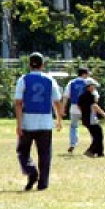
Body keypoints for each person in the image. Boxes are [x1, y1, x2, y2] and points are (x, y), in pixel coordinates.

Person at [14, 52, 63, 191]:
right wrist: (59, 119)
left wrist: (19, 124)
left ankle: (31, 171)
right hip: (45, 121)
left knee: (22, 151)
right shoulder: (50, 80)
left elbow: (18, 103)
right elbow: (56, 101)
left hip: (28, 121)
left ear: (29, 65)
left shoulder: (23, 79)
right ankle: (43, 183)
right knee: (45, 153)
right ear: (43, 65)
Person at [61, 67, 91, 154]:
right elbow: (95, 95)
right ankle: (94, 143)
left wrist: (63, 108)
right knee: (91, 126)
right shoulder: (88, 82)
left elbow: (66, 96)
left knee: (74, 126)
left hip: (74, 107)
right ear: (84, 74)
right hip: (86, 107)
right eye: (88, 73)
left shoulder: (71, 83)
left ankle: (72, 144)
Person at [78, 79, 105, 158]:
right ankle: (90, 151)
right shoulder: (90, 96)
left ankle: (99, 153)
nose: (94, 87)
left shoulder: (81, 95)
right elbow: (94, 106)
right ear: (88, 86)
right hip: (91, 119)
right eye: (93, 85)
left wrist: (84, 113)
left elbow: (79, 106)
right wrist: (103, 113)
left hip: (86, 119)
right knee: (99, 136)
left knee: (97, 135)